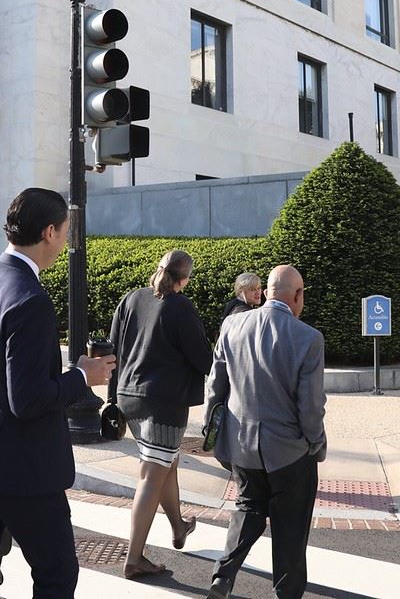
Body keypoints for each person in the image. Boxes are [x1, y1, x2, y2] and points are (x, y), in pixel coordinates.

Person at [0, 188, 116, 599]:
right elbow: (29, 400)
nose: (66, 241)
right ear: (50, 232)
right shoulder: (31, 300)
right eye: (66, 232)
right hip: (21, 469)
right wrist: (82, 376)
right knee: (56, 575)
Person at [204, 265, 325, 599]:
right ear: (297, 296)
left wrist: (211, 431)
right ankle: (285, 593)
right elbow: (310, 406)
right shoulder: (308, 338)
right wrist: (316, 444)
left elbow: (215, 386)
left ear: (268, 291)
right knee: (290, 527)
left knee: (247, 507)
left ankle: (223, 576)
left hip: (241, 443)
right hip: (288, 450)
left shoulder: (233, 324)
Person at [108, 249, 213, 579]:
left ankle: (179, 526)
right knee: (152, 474)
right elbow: (203, 357)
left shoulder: (132, 298)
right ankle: (134, 558)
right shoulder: (180, 306)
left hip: (128, 397)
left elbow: (113, 346)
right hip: (164, 404)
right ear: (184, 279)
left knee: (167, 463)